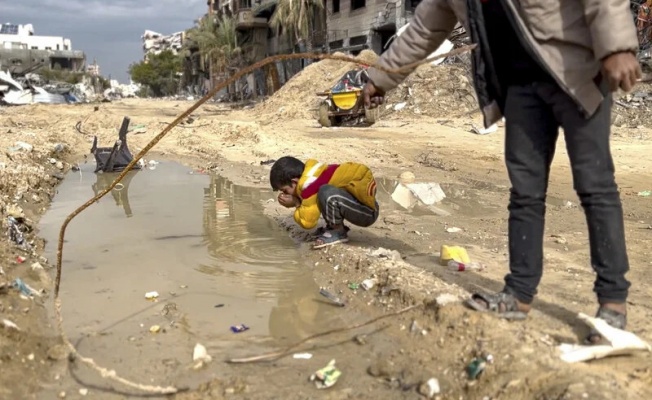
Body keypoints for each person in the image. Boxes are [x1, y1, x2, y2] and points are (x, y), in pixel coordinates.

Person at [363, 0, 641, 343]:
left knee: (594, 186)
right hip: (520, 86)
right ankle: (518, 295)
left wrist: (616, 47)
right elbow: (424, 29)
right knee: (524, 192)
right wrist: (379, 80)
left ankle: (613, 304)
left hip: (578, 70)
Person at [269, 156, 379, 249]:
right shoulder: (312, 173)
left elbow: (308, 222)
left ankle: (338, 231)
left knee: (325, 192)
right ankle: (333, 227)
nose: (286, 194)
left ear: (294, 181)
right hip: (360, 204)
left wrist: (297, 203)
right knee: (322, 194)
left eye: (285, 190)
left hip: (367, 213)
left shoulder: (308, 185)